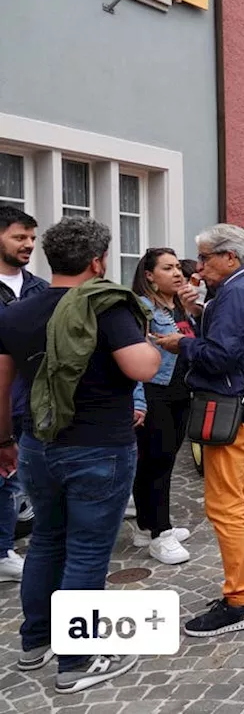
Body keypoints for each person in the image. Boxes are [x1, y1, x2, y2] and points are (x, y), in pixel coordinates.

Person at [0, 216, 160, 692]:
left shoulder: (17, 312)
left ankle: (36, 643)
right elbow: (141, 367)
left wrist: (4, 442)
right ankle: (77, 661)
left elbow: (1, 386)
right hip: (99, 447)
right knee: (88, 550)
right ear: (97, 261)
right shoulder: (106, 306)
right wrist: (151, 344)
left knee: (47, 540)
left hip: (36, 444)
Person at [154, 224, 244, 637]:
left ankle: (238, 600)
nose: (197, 268)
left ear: (230, 257)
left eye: (205, 258)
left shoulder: (234, 291)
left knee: (226, 507)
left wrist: (181, 343)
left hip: (234, 411)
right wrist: (201, 312)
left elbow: (220, 355)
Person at [129, 248, 201, 565]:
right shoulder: (141, 308)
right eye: (167, 268)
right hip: (155, 391)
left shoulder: (179, 306)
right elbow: (132, 357)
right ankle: (161, 533)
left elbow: (195, 344)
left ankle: (146, 525)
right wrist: (138, 401)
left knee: (164, 460)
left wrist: (192, 310)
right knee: (155, 461)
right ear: (148, 275)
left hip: (181, 391)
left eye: (178, 268)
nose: (177, 274)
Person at [0, 206, 47, 584]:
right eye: (19, 237)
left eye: (32, 238)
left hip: (27, 403)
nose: (29, 245)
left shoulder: (39, 288)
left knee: (12, 482)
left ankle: (3, 552)